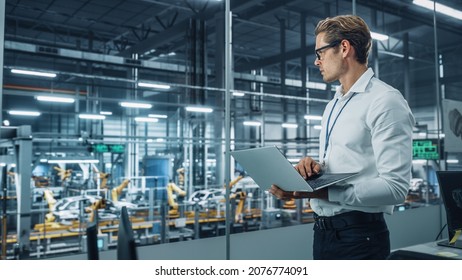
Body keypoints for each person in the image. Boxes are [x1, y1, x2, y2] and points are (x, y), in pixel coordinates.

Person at [269, 15, 415, 260]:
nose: (317, 61)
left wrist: (318, 193)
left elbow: (395, 188)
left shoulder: (385, 101)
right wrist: (314, 170)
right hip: (324, 234)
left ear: (344, 48)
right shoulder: (334, 104)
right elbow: (344, 164)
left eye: (321, 53)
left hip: (360, 238)